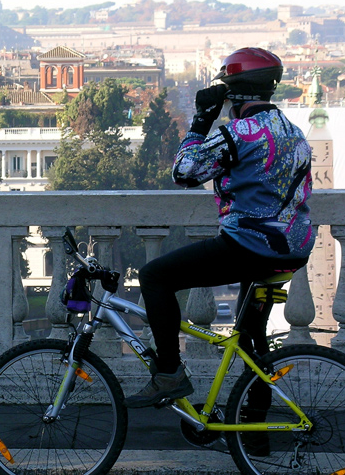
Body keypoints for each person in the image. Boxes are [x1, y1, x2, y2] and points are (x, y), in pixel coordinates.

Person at [125, 47, 315, 408]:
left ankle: (169, 374)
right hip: (292, 248)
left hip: (250, 246)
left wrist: (201, 119)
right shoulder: (294, 133)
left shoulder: (239, 134)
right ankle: (254, 436)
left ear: (233, 93)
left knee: (154, 277)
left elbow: (185, 172)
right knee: (250, 340)